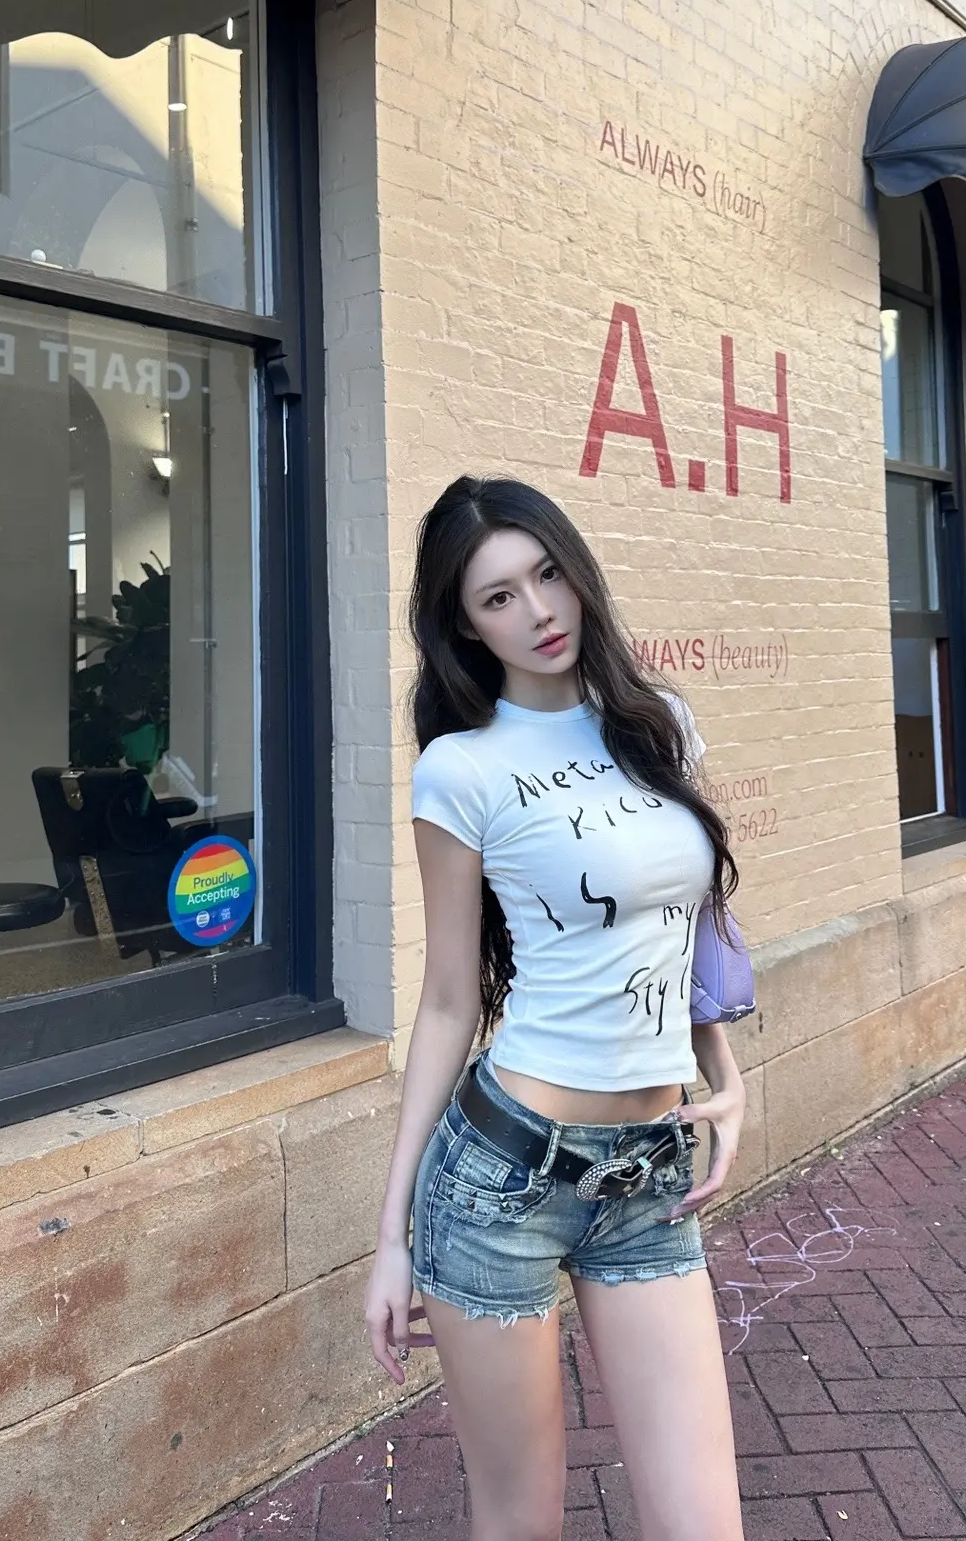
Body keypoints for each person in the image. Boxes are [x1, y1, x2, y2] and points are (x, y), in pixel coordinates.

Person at [365, 476, 746, 1541]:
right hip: (503, 1177)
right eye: (498, 597)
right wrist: (389, 1236)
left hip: (652, 1171)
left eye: (547, 574)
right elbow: (449, 1001)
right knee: (524, 1522)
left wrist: (725, 1077)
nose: (538, 611)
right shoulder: (461, 770)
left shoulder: (657, 724)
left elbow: (687, 927)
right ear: (464, 626)